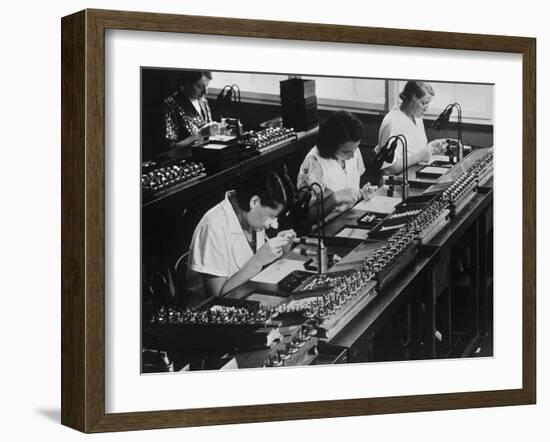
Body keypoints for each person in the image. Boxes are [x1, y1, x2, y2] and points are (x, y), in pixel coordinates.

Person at [186, 170, 296, 302]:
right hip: (217, 313)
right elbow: (216, 298)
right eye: (272, 217)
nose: (275, 226)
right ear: (254, 202)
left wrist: (281, 251)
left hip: (248, 297)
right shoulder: (214, 227)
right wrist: (258, 260)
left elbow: (258, 271)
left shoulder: (251, 218)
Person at [297, 111, 377, 221]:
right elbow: (305, 215)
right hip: (327, 227)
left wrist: (361, 193)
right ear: (331, 145)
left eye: (355, 148)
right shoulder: (314, 163)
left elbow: (347, 187)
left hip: (352, 217)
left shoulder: (353, 151)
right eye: (346, 152)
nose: (353, 155)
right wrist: (335, 198)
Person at [377, 81, 447, 175]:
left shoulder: (416, 117)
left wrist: (430, 148)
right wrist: (419, 156)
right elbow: (388, 169)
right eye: (424, 103)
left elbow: (414, 151)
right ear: (411, 99)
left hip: (416, 175)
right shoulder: (392, 122)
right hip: (398, 182)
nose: (427, 109)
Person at [163, 70, 220, 150]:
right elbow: (170, 148)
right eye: (200, 87)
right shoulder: (171, 104)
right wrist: (199, 135)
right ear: (186, 83)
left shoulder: (203, 101)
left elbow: (209, 137)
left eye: (207, 86)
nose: (205, 92)